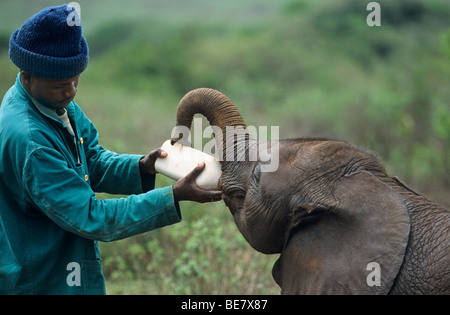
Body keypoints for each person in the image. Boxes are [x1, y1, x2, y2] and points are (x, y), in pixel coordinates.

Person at [0, 4, 222, 294]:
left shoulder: (51, 102)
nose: (71, 92)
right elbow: (93, 217)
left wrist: (142, 165)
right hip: (44, 279)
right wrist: (172, 197)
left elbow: (90, 158)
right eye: (60, 85)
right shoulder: (31, 142)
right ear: (27, 75)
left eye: (75, 80)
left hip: (65, 269)